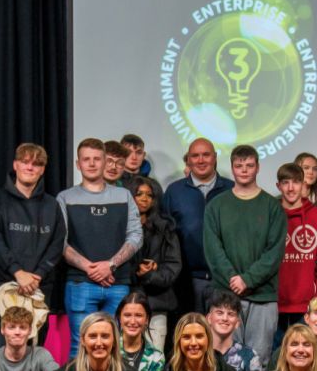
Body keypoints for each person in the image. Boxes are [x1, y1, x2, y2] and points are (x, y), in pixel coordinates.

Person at [58, 138, 143, 357]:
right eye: (86, 159)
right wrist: (90, 268)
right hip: (80, 283)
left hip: (118, 282)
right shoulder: (65, 198)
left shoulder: (123, 196)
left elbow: (136, 235)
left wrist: (110, 265)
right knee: (80, 347)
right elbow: (60, 242)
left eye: (97, 159)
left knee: (116, 349)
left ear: (105, 162)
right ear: (78, 164)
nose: (92, 163)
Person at [203, 144, 286, 365]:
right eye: (239, 166)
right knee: (224, 359)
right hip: (226, 295)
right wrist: (233, 278)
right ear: (232, 168)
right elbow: (213, 249)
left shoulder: (272, 206)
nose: (244, 170)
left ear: (257, 167)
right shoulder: (216, 206)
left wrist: (247, 279)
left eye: (249, 165)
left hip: (263, 297)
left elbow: (274, 252)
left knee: (259, 361)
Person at [0, 142, 66, 347]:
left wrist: (38, 274)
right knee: (1, 348)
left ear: (43, 170)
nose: (30, 167)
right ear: (15, 165)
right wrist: (17, 272)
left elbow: (57, 243)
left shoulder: (52, 205)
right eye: (25, 162)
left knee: (34, 350)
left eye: (37, 164)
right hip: (4, 285)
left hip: (39, 287)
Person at [161, 138, 234, 311]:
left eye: (206, 155)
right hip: (185, 281)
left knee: (222, 328)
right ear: (188, 160)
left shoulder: (232, 189)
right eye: (195, 156)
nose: (201, 160)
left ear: (215, 157)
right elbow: (164, 236)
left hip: (224, 280)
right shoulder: (174, 191)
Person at [276, 162, 317, 343]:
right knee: (274, 355)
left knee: (304, 352)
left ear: (303, 184)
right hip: (273, 302)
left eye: (296, 182)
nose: (291, 188)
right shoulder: (271, 213)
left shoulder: (316, 215)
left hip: (306, 303)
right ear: (278, 186)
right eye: (285, 183)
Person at [129, 175, 181, 349]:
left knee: (156, 357)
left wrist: (151, 274)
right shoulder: (119, 227)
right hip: (128, 303)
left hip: (158, 302)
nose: (144, 199)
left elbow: (173, 266)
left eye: (149, 195)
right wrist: (137, 271)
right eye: (139, 194)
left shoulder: (166, 228)